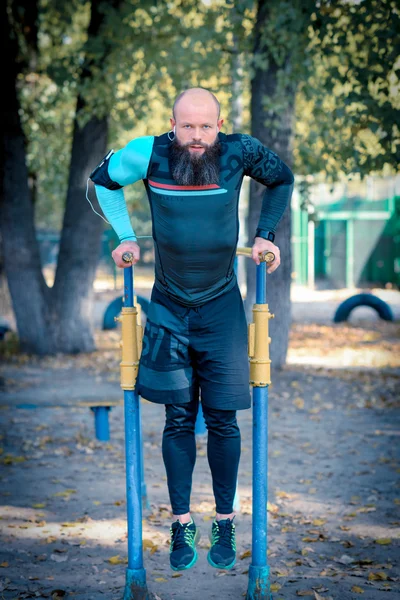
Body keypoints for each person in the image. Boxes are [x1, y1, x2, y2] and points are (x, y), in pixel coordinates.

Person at [89, 87, 294, 572]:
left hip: (222, 305)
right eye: (187, 126)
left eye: (205, 126)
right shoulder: (148, 152)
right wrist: (124, 237)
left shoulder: (241, 151)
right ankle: (181, 525)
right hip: (167, 307)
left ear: (218, 125)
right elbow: (102, 183)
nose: (196, 136)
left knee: (224, 420)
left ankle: (224, 521)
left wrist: (266, 233)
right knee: (177, 418)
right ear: (172, 123)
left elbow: (282, 179)